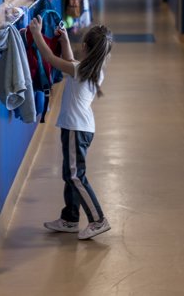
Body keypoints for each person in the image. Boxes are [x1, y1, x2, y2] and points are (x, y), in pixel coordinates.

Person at [28, 16, 114, 240]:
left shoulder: (81, 71)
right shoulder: (90, 69)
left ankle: (98, 220)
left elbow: (50, 58)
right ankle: (70, 219)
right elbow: (69, 62)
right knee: (70, 174)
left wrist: (37, 33)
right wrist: (65, 40)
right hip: (77, 128)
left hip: (77, 129)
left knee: (76, 176)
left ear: (85, 47)